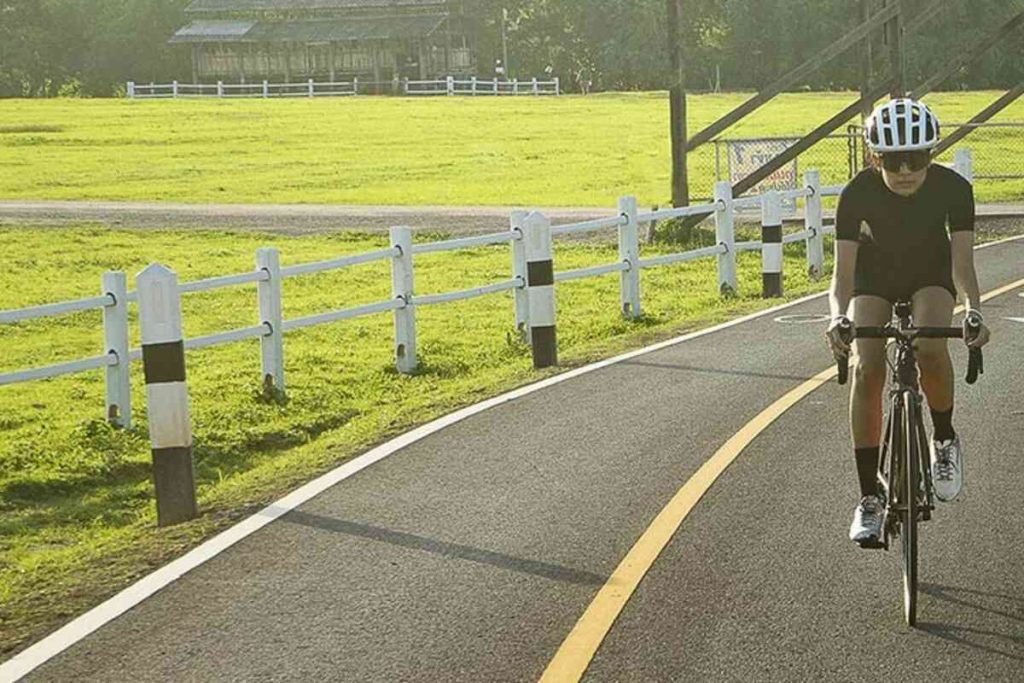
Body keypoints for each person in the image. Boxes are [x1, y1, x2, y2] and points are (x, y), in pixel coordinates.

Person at [824, 98, 991, 545]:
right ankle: (868, 500)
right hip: (874, 277)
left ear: (930, 155)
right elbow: (841, 277)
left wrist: (974, 308)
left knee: (932, 346)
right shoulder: (856, 194)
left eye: (915, 158)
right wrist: (837, 317)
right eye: (893, 160)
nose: (904, 170)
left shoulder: (954, 189)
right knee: (867, 364)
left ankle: (944, 439)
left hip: (929, 273)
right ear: (875, 157)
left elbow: (961, 264)